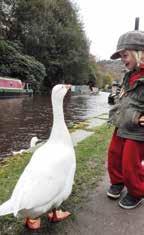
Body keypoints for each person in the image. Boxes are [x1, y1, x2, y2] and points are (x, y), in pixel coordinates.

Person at [107, 30, 144, 209]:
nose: (122, 59)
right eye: (121, 56)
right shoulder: (128, 75)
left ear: (139, 52)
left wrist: (140, 119)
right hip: (122, 124)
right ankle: (117, 181)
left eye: (125, 55)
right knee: (114, 155)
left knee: (131, 163)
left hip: (137, 130)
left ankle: (137, 191)